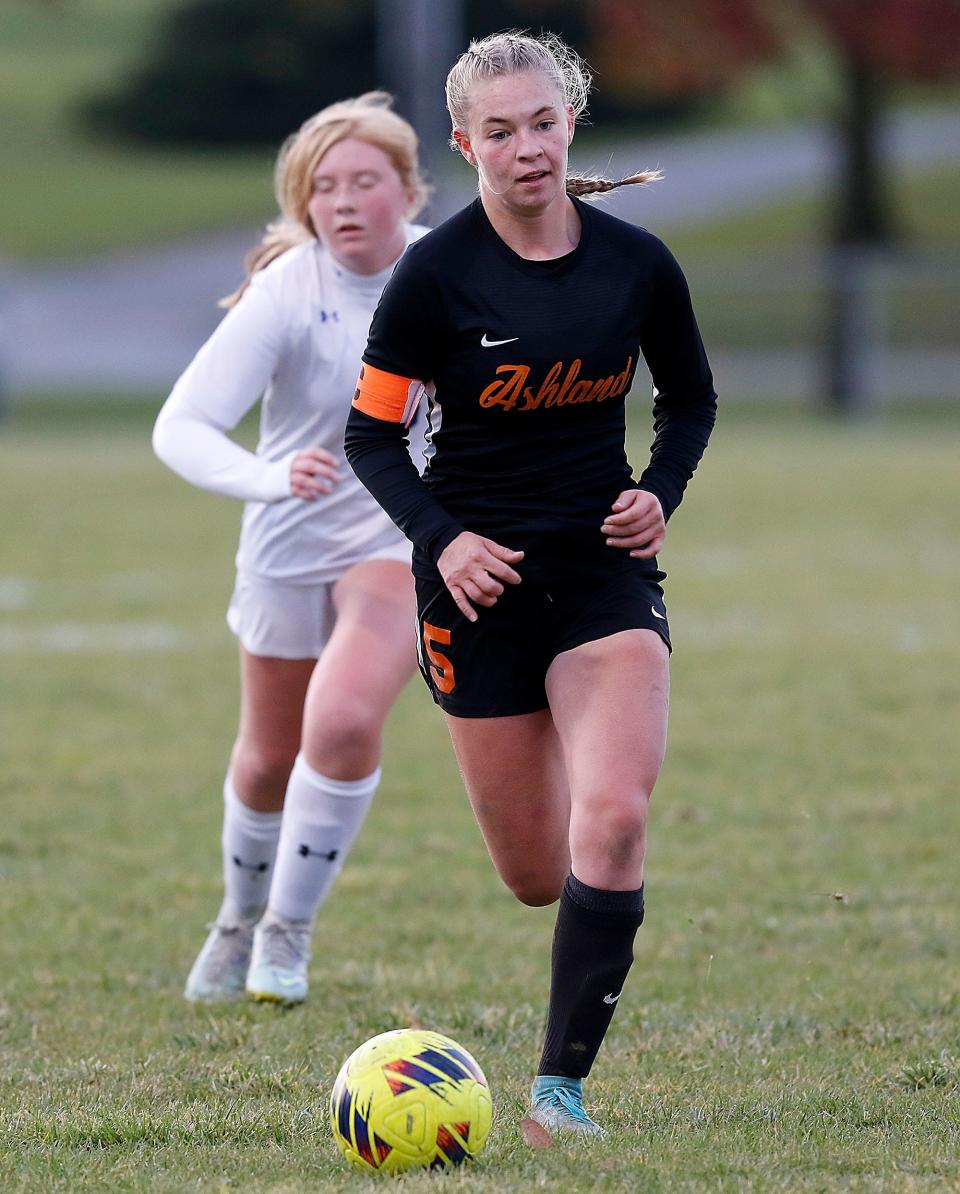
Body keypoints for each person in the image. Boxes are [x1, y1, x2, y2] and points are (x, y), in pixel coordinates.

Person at [344, 33, 717, 1136]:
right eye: (498, 132)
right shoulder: (435, 276)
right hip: (478, 595)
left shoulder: (637, 264)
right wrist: (443, 537)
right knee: (537, 877)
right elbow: (371, 440)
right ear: (465, 145)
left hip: (604, 578)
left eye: (542, 123)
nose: (526, 148)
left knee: (611, 822)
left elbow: (689, 400)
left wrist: (663, 493)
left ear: (570, 126)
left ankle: (561, 1093)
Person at [153, 92, 430, 1005]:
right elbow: (182, 426)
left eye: (365, 181)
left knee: (345, 722)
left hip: (397, 532)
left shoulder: (452, 274)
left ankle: (288, 930)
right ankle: (236, 920)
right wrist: (272, 478)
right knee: (269, 759)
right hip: (285, 537)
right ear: (304, 205)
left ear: (409, 189)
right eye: (324, 187)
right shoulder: (289, 287)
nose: (344, 201)